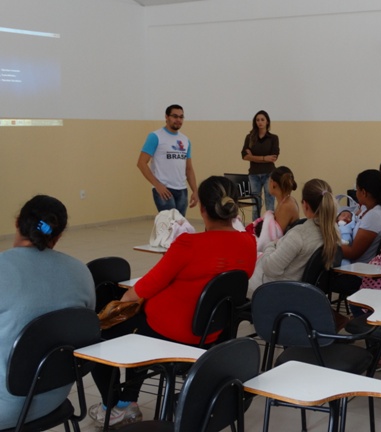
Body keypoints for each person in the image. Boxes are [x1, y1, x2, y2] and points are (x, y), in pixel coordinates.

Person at [89, 176, 257, 427]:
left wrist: (120, 306)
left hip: (169, 332)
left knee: (99, 337)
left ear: (202, 209)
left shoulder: (189, 244)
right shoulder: (248, 243)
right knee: (137, 325)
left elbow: (146, 287)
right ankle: (127, 401)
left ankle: (112, 406)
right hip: (211, 333)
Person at [0, 195, 95, 429]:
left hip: (6, 408)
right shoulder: (81, 272)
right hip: (53, 398)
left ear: (16, 222)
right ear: (58, 235)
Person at [248, 179, 341, 296]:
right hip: (303, 292)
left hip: (273, 290)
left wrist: (270, 245)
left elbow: (270, 269)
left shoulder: (299, 235)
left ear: (305, 205)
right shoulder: (334, 231)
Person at [137, 104, 198, 217]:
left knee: (179, 225)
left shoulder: (185, 140)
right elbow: (141, 163)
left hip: (182, 190)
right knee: (170, 224)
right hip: (164, 190)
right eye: (175, 116)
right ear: (166, 117)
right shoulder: (155, 136)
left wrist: (195, 191)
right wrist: (157, 185)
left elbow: (189, 168)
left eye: (181, 117)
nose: (178, 120)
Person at [241, 110, 280, 221]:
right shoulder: (250, 137)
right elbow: (244, 156)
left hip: (269, 174)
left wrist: (253, 157)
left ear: (267, 122)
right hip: (254, 174)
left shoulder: (273, 138)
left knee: (270, 204)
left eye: (262, 120)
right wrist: (264, 158)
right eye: (257, 120)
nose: (260, 122)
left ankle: (270, 227)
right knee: (255, 206)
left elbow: (273, 158)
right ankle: (255, 227)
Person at [252, 166, 299, 252]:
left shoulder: (286, 205)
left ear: (273, 184)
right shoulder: (283, 201)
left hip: (284, 249)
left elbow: (275, 236)